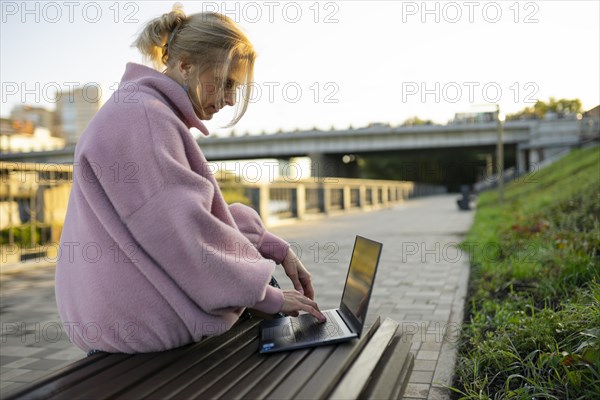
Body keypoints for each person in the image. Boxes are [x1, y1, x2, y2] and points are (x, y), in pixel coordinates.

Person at [55, 5, 325, 354]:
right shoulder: (146, 122)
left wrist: (273, 246)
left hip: (114, 316)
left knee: (258, 282)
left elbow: (194, 219)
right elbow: (186, 240)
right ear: (186, 66)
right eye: (227, 83)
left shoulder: (139, 110)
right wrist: (270, 297)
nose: (230, 99)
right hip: (136, 326)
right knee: (264, 292)